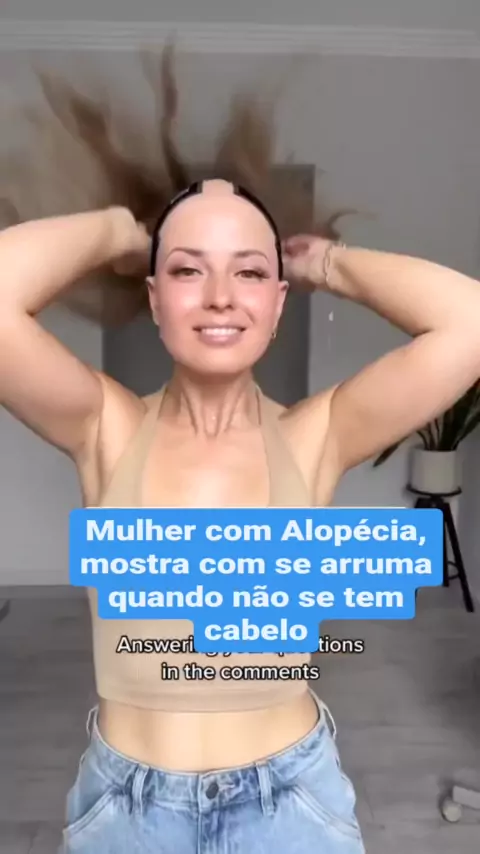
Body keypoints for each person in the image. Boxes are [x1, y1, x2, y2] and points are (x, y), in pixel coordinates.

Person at [2, 177, 480, 854]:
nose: (221, 296)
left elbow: (470, 322)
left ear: (278, 302)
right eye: (187, 270)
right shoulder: (105, 426)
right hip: (127, 812)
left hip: (289, 807)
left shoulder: (317, 435)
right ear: (154, 298)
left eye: (250, 272)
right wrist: (117, 232)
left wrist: (326, 263)